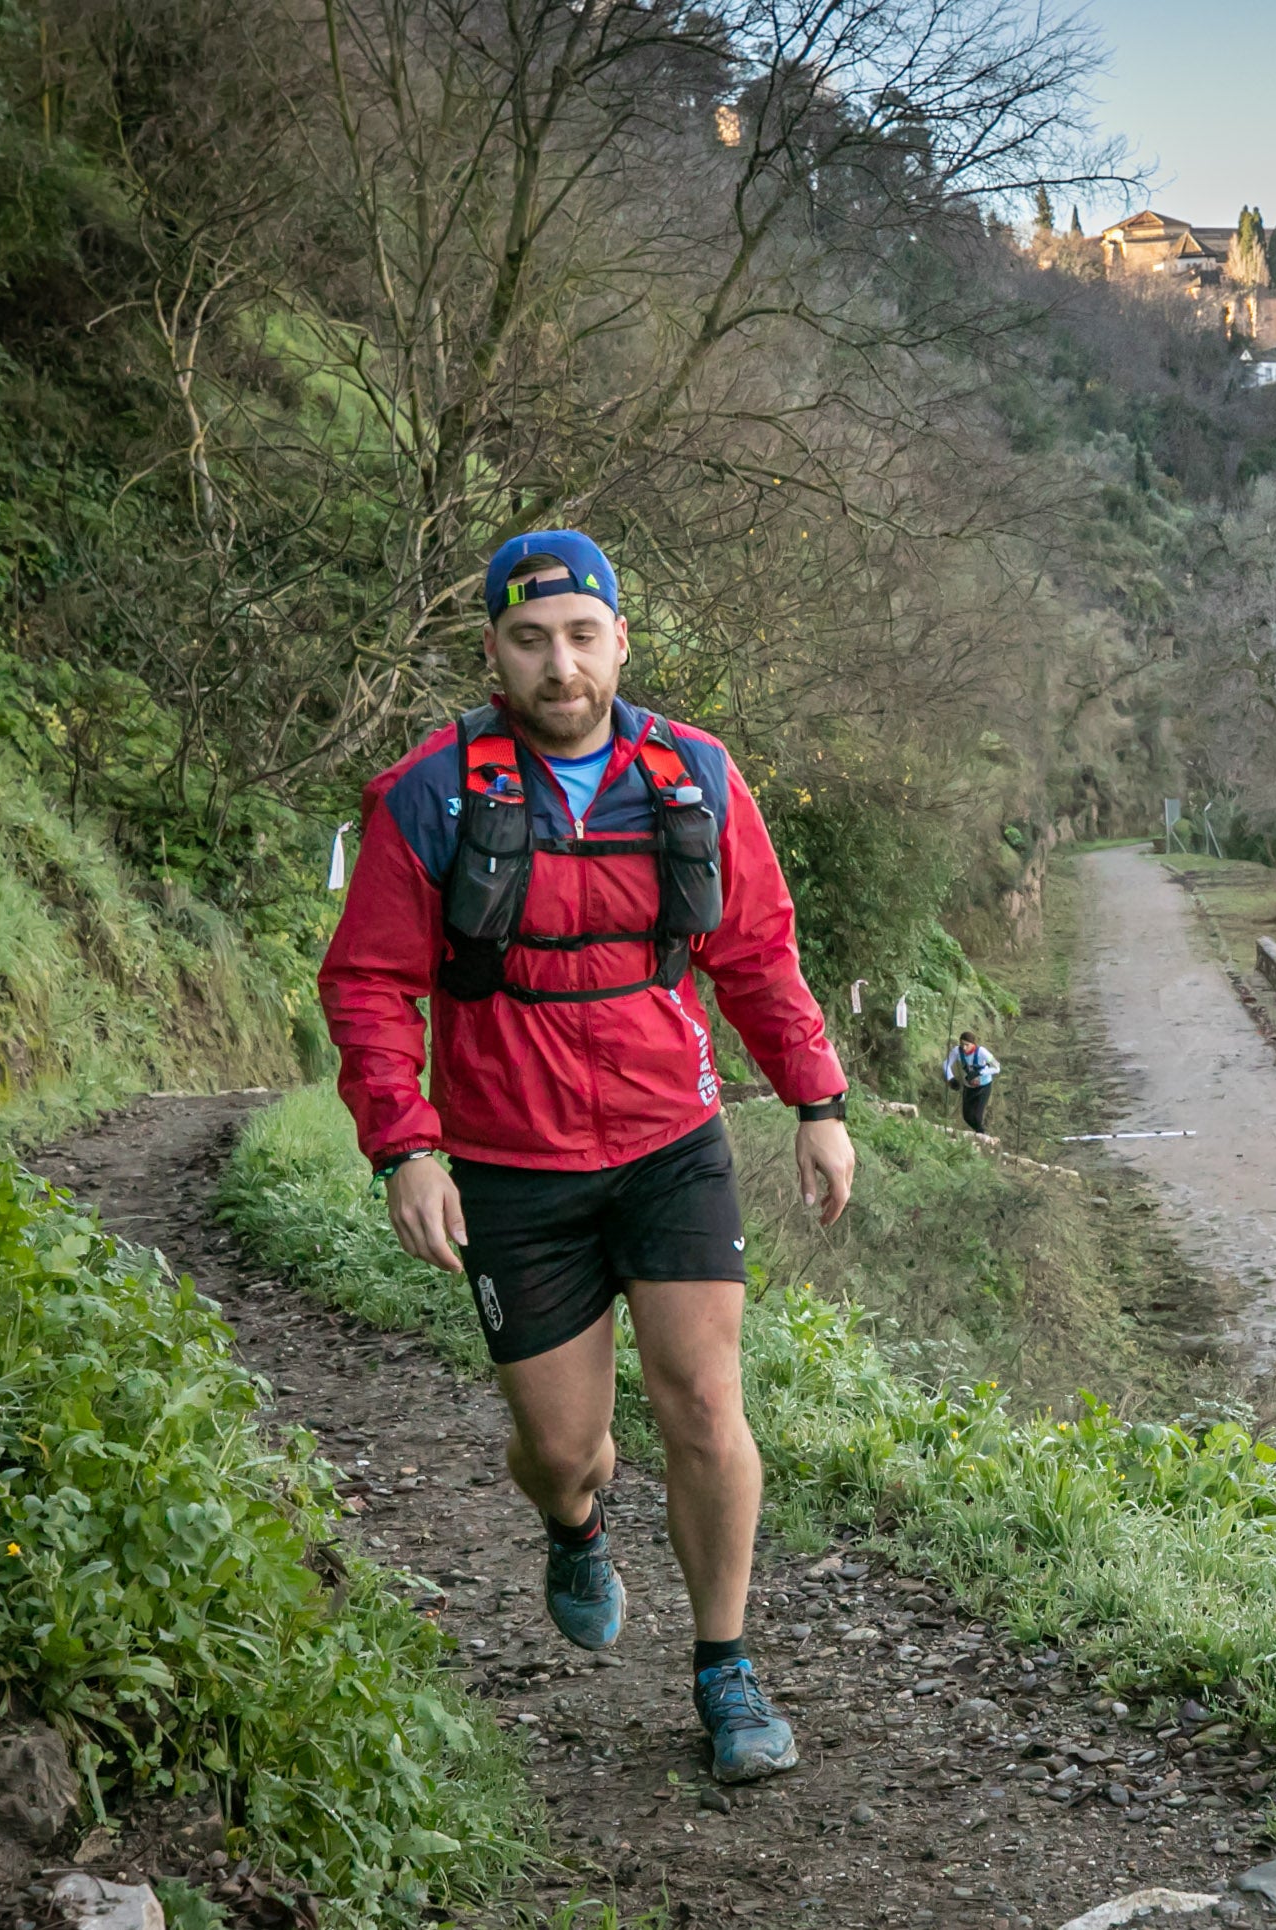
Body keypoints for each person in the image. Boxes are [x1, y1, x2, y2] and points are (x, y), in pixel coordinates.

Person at [318, 529, 855, 1785]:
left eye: (579, 636)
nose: (558, 666)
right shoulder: (431, 795)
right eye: (529, 641)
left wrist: (818, 1100)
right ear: (493, 653)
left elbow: (755, 953)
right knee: (564, 1451)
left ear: (618, 640)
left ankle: (724, 1667)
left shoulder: (695, 776)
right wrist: (405, 1145)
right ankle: (574, 1522)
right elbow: (369, 984)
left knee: (704, 1402)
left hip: (671, 1141)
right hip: (512, 1163)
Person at [944, 1030, 1000, 1133]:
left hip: (984, 1086)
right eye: (962, 1044)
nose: (964, 1047)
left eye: (967, 1045)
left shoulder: (982, 1052)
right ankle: (980, 1133)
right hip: (969, 1087)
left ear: (973, 1044)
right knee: (967, 1116)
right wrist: (951, 1078)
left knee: (977, 1117)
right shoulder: (957, 1051)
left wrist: (980, 1072)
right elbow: (946, 1064)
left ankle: (982, 1134)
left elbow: (997, 1067)